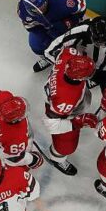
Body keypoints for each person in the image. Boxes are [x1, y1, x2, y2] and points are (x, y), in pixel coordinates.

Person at [42, 47, 98, 175]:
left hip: (65, 99)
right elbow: (52, 123)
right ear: (78, 79)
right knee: (66, 147)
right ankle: (57, 158)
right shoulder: (64, 101)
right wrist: (76, 122)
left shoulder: (68, 55)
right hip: (64, 114)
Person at [44, 16, 106, 89]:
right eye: (99, 43)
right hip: (81, 64)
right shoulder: (80, 30)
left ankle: (95, 79)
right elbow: (50, 51)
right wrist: (64, 66)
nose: (103, 46)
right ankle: (91, 77)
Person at [17, 0, 88, 72]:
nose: (42, 9)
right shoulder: (22, 10)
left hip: (65, 22)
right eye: (37, 9)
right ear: (28, 8)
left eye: (43, 4)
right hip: (46, 27)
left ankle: (75, 53)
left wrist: (73, 23)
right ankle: (48, 58)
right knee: (36, 44)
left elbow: (82, 5)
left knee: (69, 40)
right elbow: (31, 27)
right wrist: (47, 40)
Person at [0, 89, 44, 169]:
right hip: (3, 146)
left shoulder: (1, 97)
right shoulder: (15, 138)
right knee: (17, 168)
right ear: (14, 120)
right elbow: (14, 159)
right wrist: (33, 160)